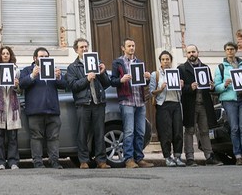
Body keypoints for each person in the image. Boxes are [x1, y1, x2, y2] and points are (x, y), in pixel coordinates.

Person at [65, 38, 112, 169]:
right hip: (83, 104)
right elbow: (72, 86)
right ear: (76, 50)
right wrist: (86, 79)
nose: (85, 49)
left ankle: (101, 161)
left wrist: (102, 73)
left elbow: (107, 84)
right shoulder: (72, 67)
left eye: (86, 47)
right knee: (82, 133)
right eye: (81, 47)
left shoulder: (97, 63)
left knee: (99, 132)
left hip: (98, 103)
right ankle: (84, 160)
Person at [110, 38, 154, 168]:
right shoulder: (117, 62)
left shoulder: (139, 62)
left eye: (133, 46)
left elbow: (142, 83)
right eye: (129, 46)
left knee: (140, 131)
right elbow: (112, 81)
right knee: (129, 132)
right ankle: (129, 159)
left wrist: (147, 78)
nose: (131, 48)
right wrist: (121, 79)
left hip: (140, 101)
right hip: (126, 101)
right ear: (123, 48)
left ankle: (139, 158)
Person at [19, 47, 66, 169]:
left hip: (52, 110)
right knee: (36, 137)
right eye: (41, 56)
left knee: (54, 137)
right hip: (35, 110)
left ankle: (54, 161)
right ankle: (38, 162)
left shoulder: (54, 69)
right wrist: (32, 75)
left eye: (46, 57)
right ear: (35, 58)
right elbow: (21, 84)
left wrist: (59, 77)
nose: (44, 59)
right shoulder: (27, 70)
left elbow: (65, 85)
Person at [177, 44, 223, 166]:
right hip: (190, 104)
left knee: (204, 130)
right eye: (189, 52)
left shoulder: (205, 68)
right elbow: (180, 88)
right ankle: (190, 158)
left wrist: (212, 86)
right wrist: (189, 87)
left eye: (193, 52)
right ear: (186, 54)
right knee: (189, 130)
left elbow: (210, 86)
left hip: (204, 104)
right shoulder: (181, 68)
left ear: (198, 52)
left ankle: (209, 156)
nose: (191, 54)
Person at [213, 42, 242, 165]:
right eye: (228, 49)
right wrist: (225, 84)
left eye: (232, 49)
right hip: (229, 100)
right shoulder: (221, 67)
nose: (230, 51)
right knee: (234, 128)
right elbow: (217, 87)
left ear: (236, 50)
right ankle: (237, 155)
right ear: (225, 51)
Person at [149, 50, 185, 167]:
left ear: (171, 61)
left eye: (167, 59)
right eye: (163, 60)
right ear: (160, 61)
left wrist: (181, 85)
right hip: (163, 105)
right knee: (166, 132)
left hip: (176, 103)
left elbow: (180, 91)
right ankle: (167, 156)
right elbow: (151, 92)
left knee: (178, 131)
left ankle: (178, 156)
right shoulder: (156, 74)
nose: (165, 61)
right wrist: (161, 88)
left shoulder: (176, 73)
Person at [0, 46, 22, 170]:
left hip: (12, 108)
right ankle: (0, 162)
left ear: (11, 55)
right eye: (3, 53)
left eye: (7, 53)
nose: (5, 55)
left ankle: (13, 162)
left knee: (13, 137)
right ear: (0, 56)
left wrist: (17, 86)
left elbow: (20, 91)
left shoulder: (16, 71)